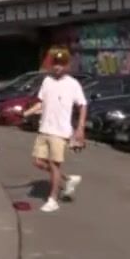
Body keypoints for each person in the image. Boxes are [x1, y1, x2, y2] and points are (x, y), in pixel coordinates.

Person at [22, 51, 87, 213]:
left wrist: (80, 128)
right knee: (38, 162)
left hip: (60, 132)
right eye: (56, 63)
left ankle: (53, 199)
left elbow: (82, 105)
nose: (58, 67)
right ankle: (68, 179)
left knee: (54, 164)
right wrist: (26, 113)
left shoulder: (73, 84)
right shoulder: (47, 81)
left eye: (62, 63)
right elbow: (42, 103)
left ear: (67, 66)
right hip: (44, 128)